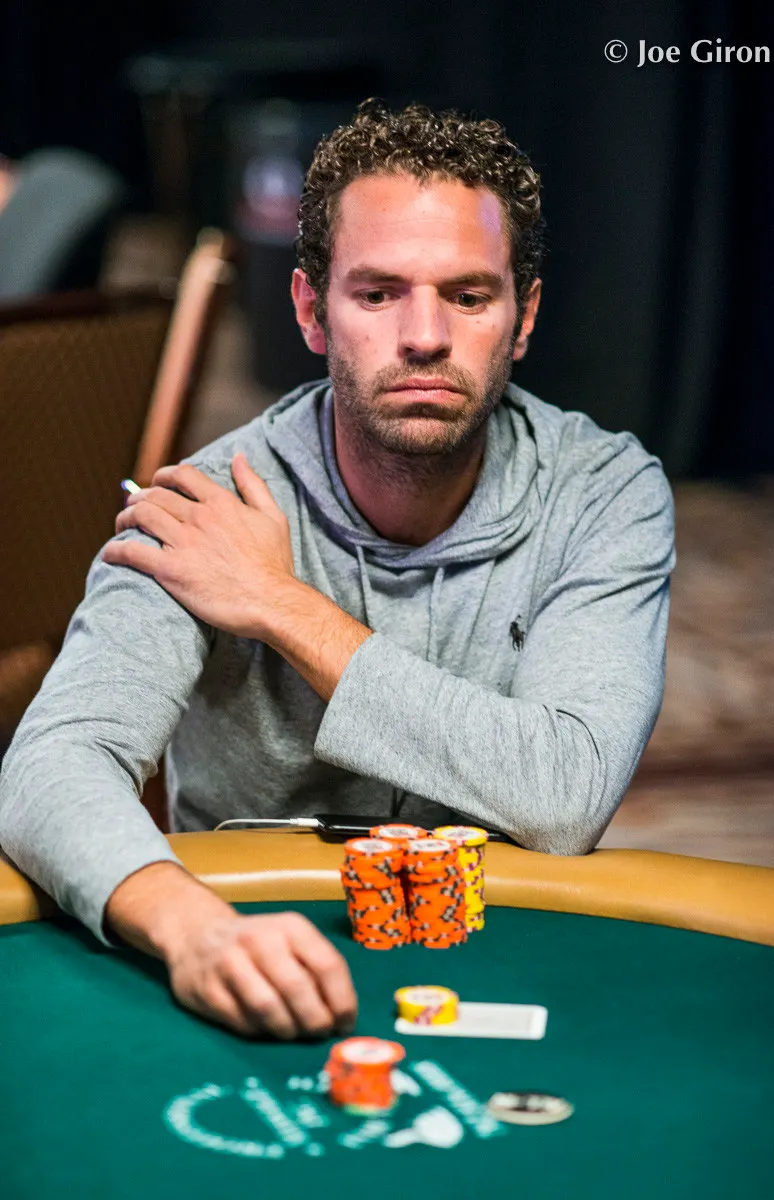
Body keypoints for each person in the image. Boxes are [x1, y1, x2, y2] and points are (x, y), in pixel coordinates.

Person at [0, 100, 675, 1041]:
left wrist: (278, 604)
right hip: (246, 933)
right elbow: (49, 767)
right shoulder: (206, 509)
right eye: (378, 293)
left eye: (467, 296)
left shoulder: (603, 491)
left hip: (512, 941)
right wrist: (193, 929)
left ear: (521, 317)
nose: (424, 335)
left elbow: (565, 795)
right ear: (311, 311)